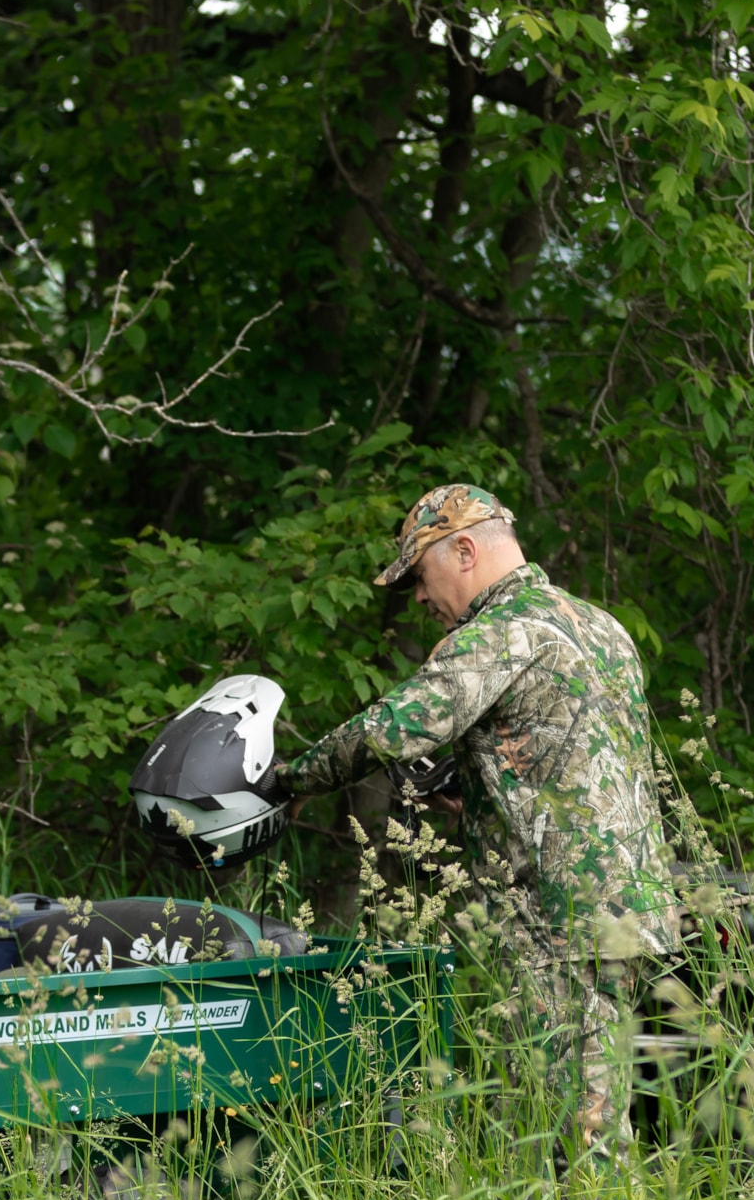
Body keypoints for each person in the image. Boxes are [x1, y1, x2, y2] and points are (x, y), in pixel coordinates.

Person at [271, 484, 680, 1151]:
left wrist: (294, 779)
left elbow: (396, 728)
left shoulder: (501, 632)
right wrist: (479, 790)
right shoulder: (600, 626)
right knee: (584, 1115)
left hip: (555, 917)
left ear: (464, 550)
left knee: (570, 1131)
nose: (419, 598)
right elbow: (574, 761)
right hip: (623, 907)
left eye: (419, 576)